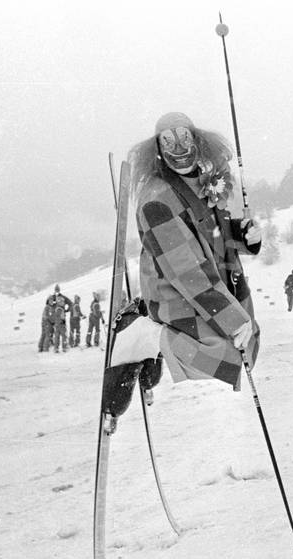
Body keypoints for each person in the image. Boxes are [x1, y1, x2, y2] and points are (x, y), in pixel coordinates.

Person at [101, 111, 263, 431]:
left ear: (196, 138)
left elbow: (211, 231)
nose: (178, 147)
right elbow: (186, 271)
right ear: (158, 148)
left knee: (247, 348)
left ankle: (156, 353)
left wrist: (244, 235)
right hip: (175, 292)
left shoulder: (200, 182)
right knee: (228, 355)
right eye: (169, 140)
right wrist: (232, 320)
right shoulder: (156, 200)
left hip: (209, 285)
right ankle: (144, 336)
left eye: (184, 137)